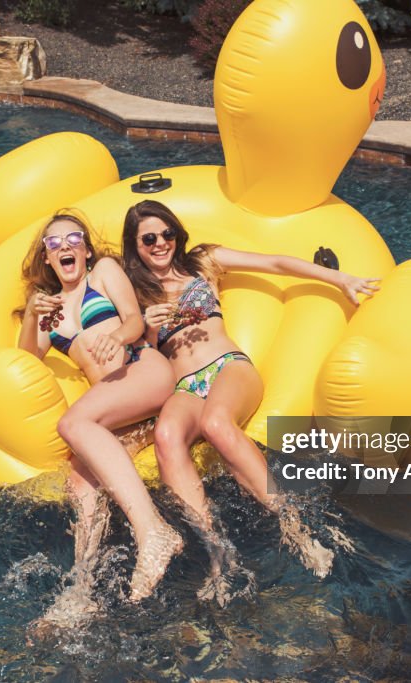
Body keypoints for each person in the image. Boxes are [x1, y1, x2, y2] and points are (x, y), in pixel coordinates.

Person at [121, 199, 380, 586]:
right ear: (136, 246)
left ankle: (295, 529)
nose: (161, 243)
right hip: (185, 385)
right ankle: (215, 553)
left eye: (167, 233)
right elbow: (134, 348)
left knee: (217, 421)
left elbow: (274, 263)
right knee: (166, 434)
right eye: (149, 239)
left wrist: (339, 280)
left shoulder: (202, 262)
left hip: (228, 367)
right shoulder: (135, 293)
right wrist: (149, 327)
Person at [17, 210, 182, 620]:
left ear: (87, 250)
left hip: (142, 371)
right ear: (47, 257)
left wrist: (114, 337)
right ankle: (81, 592)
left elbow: (132, 320)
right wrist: (33, 315)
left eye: (73, 239)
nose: (65, 247)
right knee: (80, 482)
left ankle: (154, 531)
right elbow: (26, 359)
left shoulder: (102, 272)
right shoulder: (50, 306)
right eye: (54, 243)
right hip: (118, 406)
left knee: (71, 424)